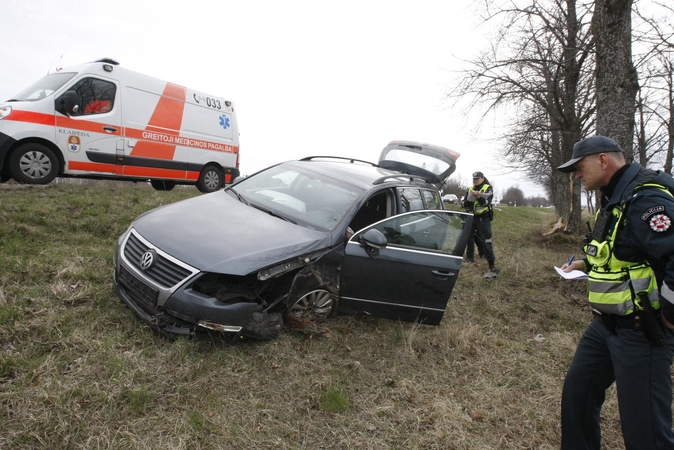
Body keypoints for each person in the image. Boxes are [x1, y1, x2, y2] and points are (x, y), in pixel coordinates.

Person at [558, 135, 674, 449]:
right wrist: (585, 263)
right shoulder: (616, 196)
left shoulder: (645, 198)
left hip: (642, 330)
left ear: (603, 161)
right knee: (577, 397)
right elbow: (623, 253)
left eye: (580, 168)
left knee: (645, 432)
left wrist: (670, 313)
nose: (578, 176)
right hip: (606, 326)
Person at [462, 171, 498, 278]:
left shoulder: (488, 188)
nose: (475, 181)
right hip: (472, 217)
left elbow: (487, 202)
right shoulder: (470, 189)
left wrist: (478, 197)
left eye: (477, 179)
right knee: (469, 237)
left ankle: (491, 264)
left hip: (483, 218)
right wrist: (469, 200)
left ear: (482, 178)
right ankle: (470, 258)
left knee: (486, 240)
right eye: (473, 179)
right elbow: (463, 204)